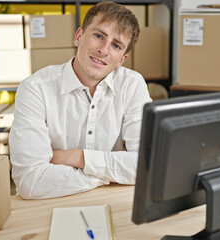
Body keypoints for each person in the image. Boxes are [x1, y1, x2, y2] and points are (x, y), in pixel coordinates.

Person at [9, 1, 152, 199]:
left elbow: (149, 165)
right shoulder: (35, 88)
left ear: (121, 59)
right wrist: (106, 176)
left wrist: (78, 157)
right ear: (79, 36)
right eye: (98, 35)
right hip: (50, 203)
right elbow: (30, 182)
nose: (103, 49)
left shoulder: (132, 85)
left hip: (110, 201)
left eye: (116, 45)